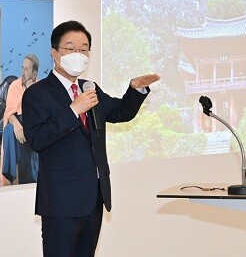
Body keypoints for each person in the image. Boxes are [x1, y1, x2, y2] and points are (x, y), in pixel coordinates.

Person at [22, 20, 160, 256]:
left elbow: (119, 112)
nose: (79, 54)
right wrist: (73, 110)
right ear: (55, 53)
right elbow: (37, 139)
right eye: (71, 48)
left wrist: (135, 90)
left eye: (84, 49)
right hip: (61, 203)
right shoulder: (37, 93)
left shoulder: (89, 88)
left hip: (93, 198)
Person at [0, 54, 40, 186]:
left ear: (34, 73)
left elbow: (40, 111)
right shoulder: (14, 86)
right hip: (17, 120)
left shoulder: (41, 87)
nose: (23, 72)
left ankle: (34, 176)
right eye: (22, 68)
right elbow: (10, 111)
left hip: (35, 122)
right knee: (9, 131)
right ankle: (12, 177)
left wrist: (29, 89)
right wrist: (17, 125)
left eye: (27, 69)